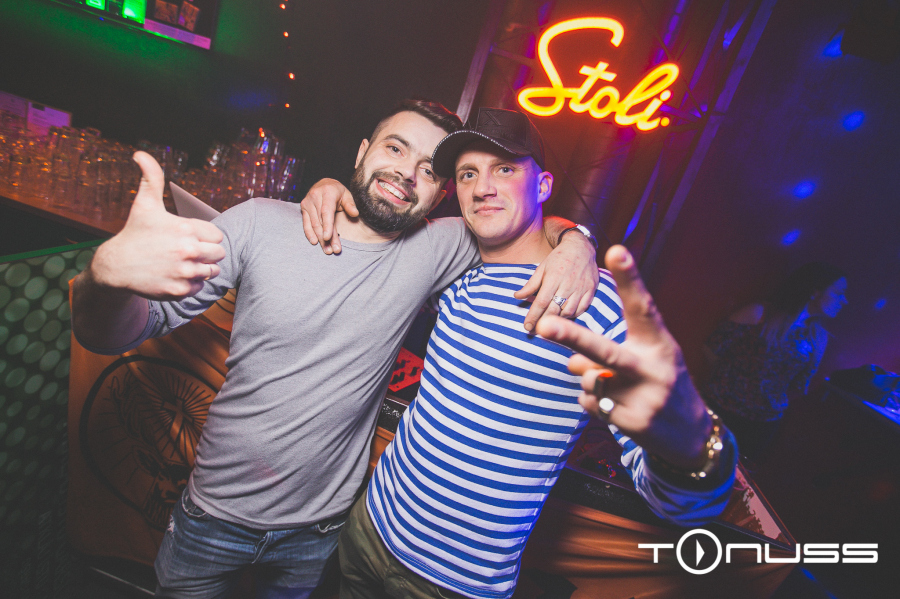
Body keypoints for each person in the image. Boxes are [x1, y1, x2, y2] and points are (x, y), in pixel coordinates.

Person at [70, 99, 601, 599]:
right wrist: (105, 280)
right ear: (362, 151)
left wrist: (577, 242)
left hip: (321, 533)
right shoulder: (259, 222)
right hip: (213, 518)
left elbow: (523, 220)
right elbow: (118, 332)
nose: (406, 173)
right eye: (395, 148)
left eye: (428, 169)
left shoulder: (442, 244)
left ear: (441, 195)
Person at [304, 108, 737, 599]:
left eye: (505, 169)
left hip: (454, 583)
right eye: (468, 174)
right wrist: (331, 189)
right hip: (371, 526)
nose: (483, 187)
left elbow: (679, 504)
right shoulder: (455, 270)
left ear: (544, 185)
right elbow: (373, 227)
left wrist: (689, 452)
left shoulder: (594, 302)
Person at [703, 262, 848, 464]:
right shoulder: (760, 314)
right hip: (721, 411)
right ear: (815, 291)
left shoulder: (817, 337)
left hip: (762, 426)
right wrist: (732, 384)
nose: (844, 301)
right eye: (839, 293)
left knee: (735, 477)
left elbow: (800, 385)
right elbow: (713, 348)